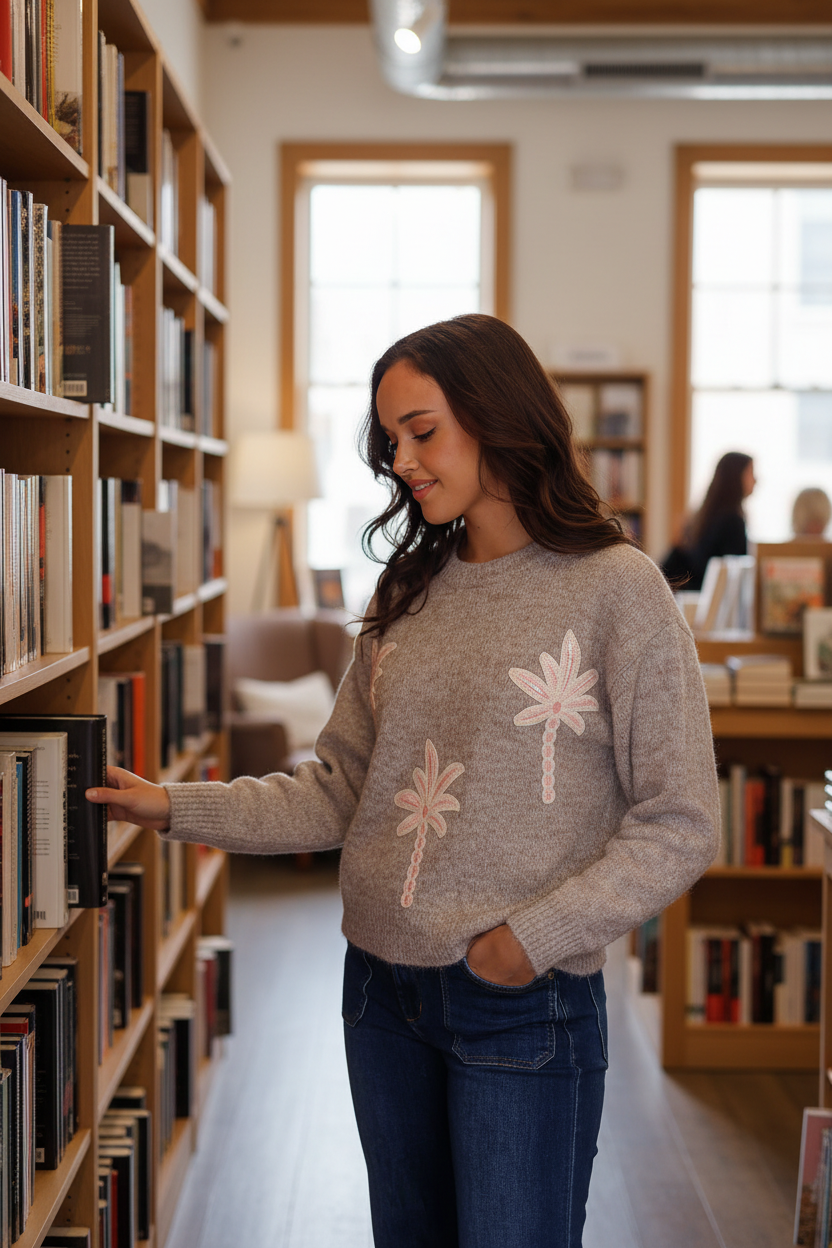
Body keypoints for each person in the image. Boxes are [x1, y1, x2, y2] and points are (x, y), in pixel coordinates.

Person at [86, 314, 719, 1248]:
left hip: (521, 1002)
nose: (403, 460)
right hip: (380, 993)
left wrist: (526, 942)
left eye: (422, 431)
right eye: (392, 441)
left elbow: (681, 820)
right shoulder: (405, 593)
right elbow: (338, 789)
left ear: (498, 416)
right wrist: (171, 806)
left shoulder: (617, 588)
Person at [661, 450, 755, 591]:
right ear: (736, 477)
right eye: (751, 473)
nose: (756, 480)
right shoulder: (732, 521)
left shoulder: (705, 515)